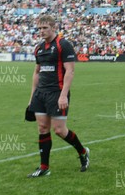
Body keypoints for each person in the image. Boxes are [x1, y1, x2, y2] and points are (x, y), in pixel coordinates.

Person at [27, 15, 89, 177]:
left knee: (60, 130)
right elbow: (37, 73)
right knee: (42, 128)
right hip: (41, 93)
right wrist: (32, 96)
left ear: (53, 27)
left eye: (45, 28)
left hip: (57, 93)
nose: (42, 31)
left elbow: (70, 70)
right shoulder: (39, 48)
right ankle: (44, 167)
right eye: (39, 28)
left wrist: (63, 96)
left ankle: (83, 152)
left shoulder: (63, 45)